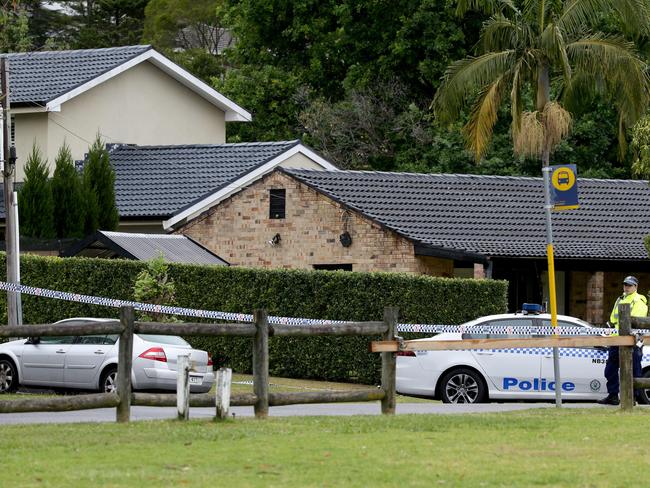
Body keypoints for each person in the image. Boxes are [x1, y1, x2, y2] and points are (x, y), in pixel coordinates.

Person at [597, 275, 648, 405]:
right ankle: (613, 396)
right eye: (625, 284)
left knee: (633, 370)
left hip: (632, 341)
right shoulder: (620, 299)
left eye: (629, 285)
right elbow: (614, 318)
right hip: (617, 339)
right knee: (610, 370)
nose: (626, 287)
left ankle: (633, 398)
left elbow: (635, 321)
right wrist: (611, 325)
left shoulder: (638, 301)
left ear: (636, 287)